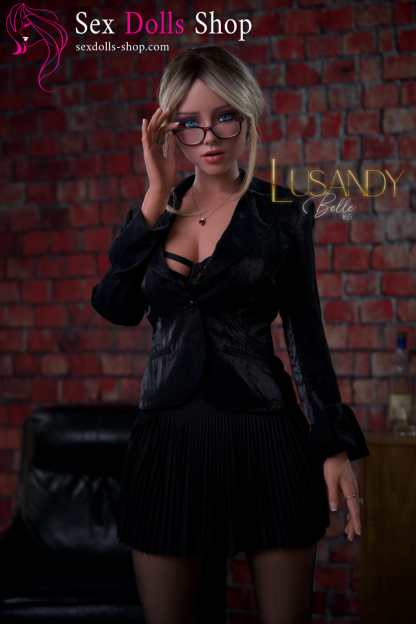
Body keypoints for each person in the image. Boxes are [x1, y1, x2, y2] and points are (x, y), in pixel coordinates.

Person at [91, 46, 369, 624]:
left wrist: (334, 445)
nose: (209, 136)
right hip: (168, 440)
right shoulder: (154, 214)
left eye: (224, 117)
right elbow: (115, 306)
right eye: (189, 122)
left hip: (264, 435)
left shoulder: (285, 212)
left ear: (246, 118)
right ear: (169, 130)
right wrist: (153, 198)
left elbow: (306, 337)